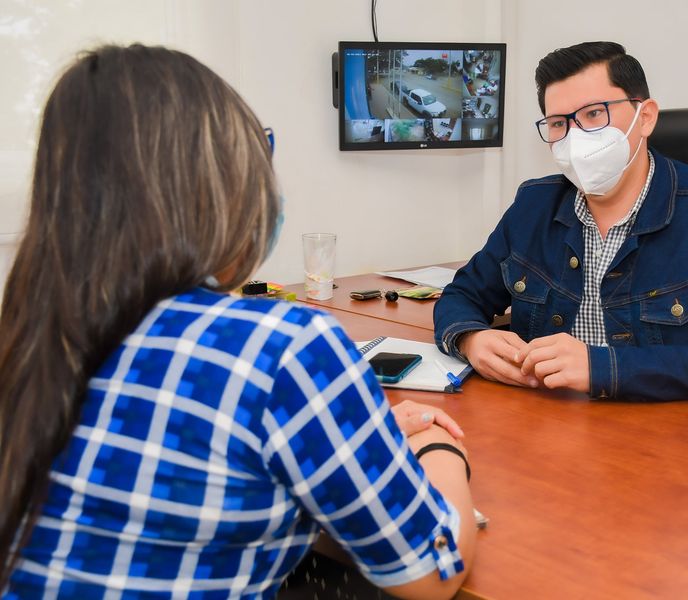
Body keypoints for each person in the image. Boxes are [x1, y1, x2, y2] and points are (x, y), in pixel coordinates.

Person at [0, 44, 474, 599]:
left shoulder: (30, 336)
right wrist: (440, 451)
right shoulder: (280, 348)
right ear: (221, 185)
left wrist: (343, 437)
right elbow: (433, 572)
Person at [434, 41, 688, 402]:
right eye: (559, 123)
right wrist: (470, 339)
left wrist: (602, 368)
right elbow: (462, 294)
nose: (575, 138)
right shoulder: (534, 204)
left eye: (593, 114)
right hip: (545, 419)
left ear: (645, 117)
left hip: (665, 427)